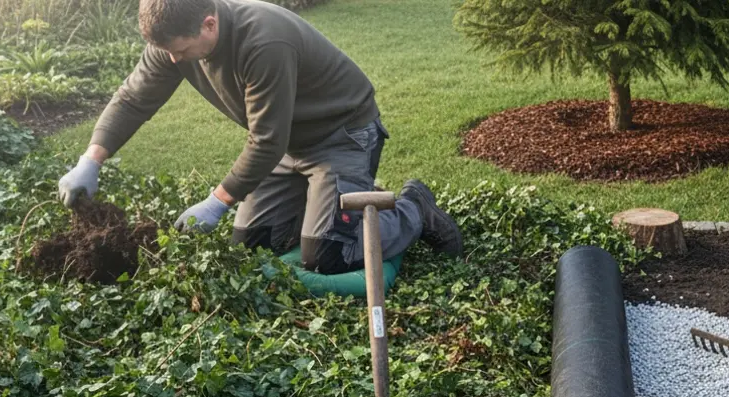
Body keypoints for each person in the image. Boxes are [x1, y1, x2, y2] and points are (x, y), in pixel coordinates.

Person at [57, 0, 461, 274]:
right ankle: (328, 202)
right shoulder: (173, 43)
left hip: (341, 135)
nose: (174, 61)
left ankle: (412, 207)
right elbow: (132, 100)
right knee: (253, 243)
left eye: (180, 51)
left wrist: (217, 202)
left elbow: (266, 139)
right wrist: (90, 160)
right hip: (286, 144)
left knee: (328, 254)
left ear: (209, 23)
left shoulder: (264, 39)